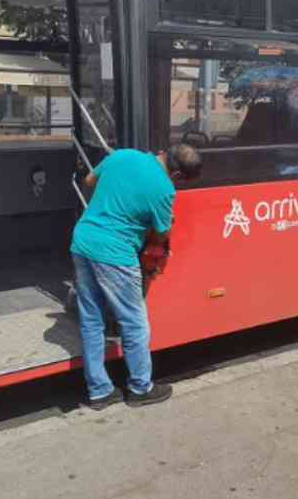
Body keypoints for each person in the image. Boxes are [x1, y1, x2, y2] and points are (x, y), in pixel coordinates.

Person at [71, 144, 202, 410]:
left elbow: (89, 180)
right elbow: (161, 233)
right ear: (177, 177)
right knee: (134, 322)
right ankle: (141, 388)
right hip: (115, 253)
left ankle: (99, 391)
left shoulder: (123, 155)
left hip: (83, 241)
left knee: (91, 319)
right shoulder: (164, 190)